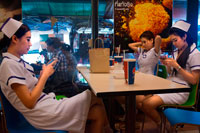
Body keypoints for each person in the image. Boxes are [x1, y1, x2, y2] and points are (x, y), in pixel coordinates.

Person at [0, 18, 112, 133]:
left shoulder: (16, 62)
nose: (30, 44)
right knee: (94, 96)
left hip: (45, 105)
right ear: (14, 39)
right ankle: (109, 130)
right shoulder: (9, 64)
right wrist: (44, 76)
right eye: (28, 39)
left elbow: (32, 90)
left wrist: (43, 75)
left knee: (97, 112)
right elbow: (29, 102)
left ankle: (108, 130)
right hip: (40, 112)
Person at [140, 20, 200, 128]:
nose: (174, 43)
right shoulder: (177, 51)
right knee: (143, 100)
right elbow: (170, 73)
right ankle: (165, 124)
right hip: (170, 85)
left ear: (185, 36)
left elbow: (194, 80)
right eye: (172, 41)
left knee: (146, 104)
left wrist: (177, 66)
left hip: (181, 90)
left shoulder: (194, 53)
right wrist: (168, 65)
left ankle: (164, 126)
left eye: (175, 40)